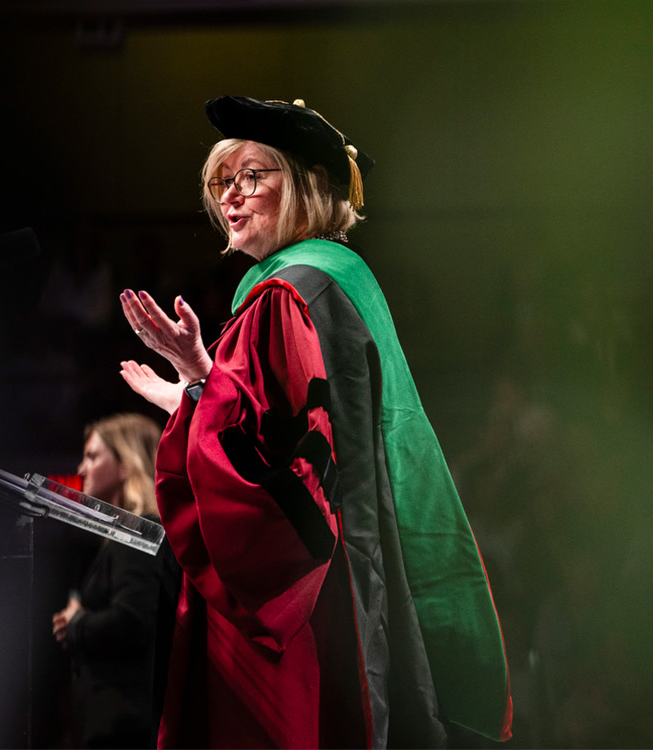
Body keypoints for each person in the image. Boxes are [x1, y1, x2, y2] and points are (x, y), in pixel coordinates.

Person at [116, 96, 513, 748]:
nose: (232, 198)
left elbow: (273, 466)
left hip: (322, 590)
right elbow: (292, 416)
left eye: (253, 176)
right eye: (223, 182)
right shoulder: (341, 278)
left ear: (308, 187)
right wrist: (192, 387)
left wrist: (196, 385)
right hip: (368, 550)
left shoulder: (290, 290)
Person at [51, 413, 181, 748]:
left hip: (125, 728)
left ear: (126, 465)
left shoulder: (136, 536)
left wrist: (76, 623)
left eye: (93, 456)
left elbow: (132, 620)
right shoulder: (130, 534)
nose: (81, 468)